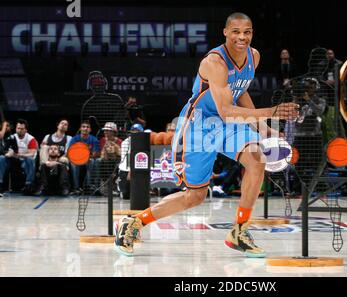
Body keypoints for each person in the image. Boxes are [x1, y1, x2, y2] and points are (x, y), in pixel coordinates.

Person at [114, 12, 299, 257]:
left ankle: (240, 231)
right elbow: (225, 110)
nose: (242, 37)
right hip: (199, 126)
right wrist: (271, 113)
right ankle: (135, 222)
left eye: (247, 32)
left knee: (256, 160)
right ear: (225, 32)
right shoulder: (215, 63)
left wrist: (263, 127)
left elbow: (240, 92)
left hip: (229, 123)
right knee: (195, 196)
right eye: (236, 32)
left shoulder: (253, 56)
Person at [0, 119, 38, 195]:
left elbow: (32, 154)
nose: (19, 130)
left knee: (30, 159)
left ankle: (29, 185)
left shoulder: (31, 139)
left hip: (25, 161)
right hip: (13, 161)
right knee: (1, 158)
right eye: (18, 128)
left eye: (22, 129)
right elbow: (6, 150)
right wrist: (7, 153)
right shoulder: (11, 137)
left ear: (26, 130)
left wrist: (18, 155)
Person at [69, 121, 101, 195]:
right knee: (73, 163)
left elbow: (95, 154)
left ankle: (89, 186)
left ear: (90, 130)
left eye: (87, 127)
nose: (85, 128)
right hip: (77, 159)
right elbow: (71, 152)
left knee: (92, 161)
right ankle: (76, 188)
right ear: (80, 128)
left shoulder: (94, 139)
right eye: (83, 126)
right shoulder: (75, 139)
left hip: (88, 159)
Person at [117, 123, 144, 200]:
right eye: (133, 131)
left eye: (137, 131)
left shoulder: (144, 142)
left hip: (138, 169)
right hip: (125, 169)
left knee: (138, 196)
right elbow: (125, 158)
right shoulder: (125, 142)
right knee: (126, 195)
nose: (135, 133)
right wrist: (130, 171)